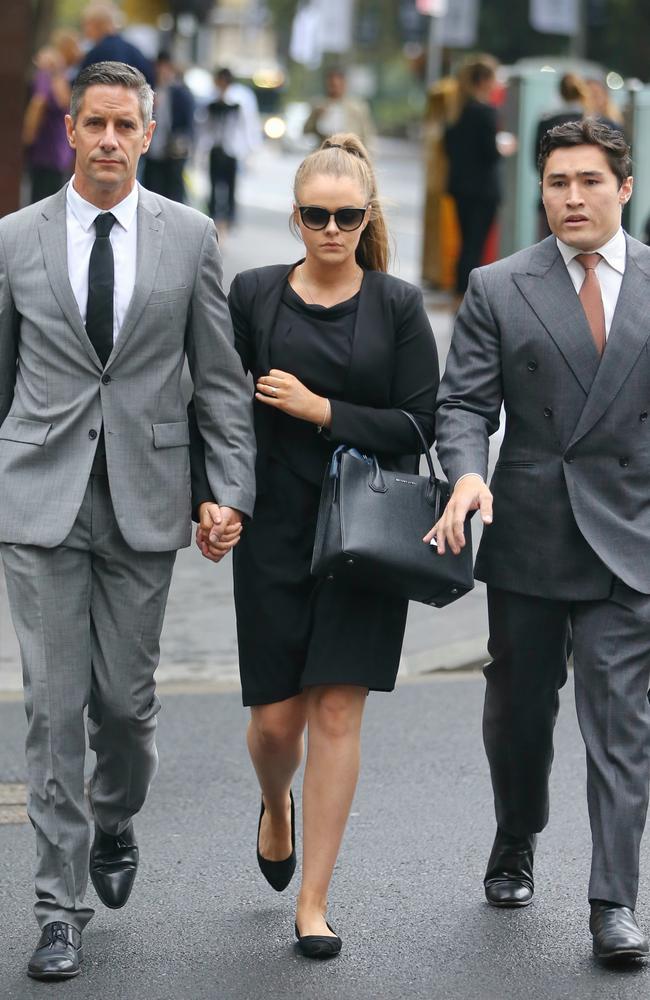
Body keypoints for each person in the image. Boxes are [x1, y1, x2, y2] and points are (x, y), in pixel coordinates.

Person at [0, 60, 255, 980]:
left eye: (125, 127)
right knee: (52, 710)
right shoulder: (14, 240)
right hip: (39, 501)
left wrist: (226, 489)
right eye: (94, 124)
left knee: (125, 706)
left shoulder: (188, 237)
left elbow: (219, 381)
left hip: (146, 498)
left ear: (149, 136)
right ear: (69, 130)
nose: (109, 140)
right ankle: (57, 907)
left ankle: (115, 814)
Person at [190, 133, 439, 957]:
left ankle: (315, 902)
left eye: (345, 215)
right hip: (275, 525)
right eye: (315, 215)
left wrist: (322, 409)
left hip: (367, 532)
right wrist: (212, 500)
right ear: (295, 216)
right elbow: (219, 409)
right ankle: (275, 805)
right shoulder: (254, 294)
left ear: (367, 216)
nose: (330, 229)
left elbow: (418, 424)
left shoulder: (399, 305)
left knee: (336, 711)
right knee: (274, 724)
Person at [428, 119, 650, 962]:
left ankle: (614, 902)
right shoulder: (498, 285)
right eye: (558, 182)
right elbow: (463, 408)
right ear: (542, 190)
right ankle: (517, 832)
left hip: (633, 532)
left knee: (620, 724)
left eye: (590, 182)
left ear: (622, 188)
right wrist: (464, 472)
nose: (572, 198)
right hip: (527, 529)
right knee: (521, 714)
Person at [444, 54, 516, 303]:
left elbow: (449, 147)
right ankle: (468, 297)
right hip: (483, 190)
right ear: (484, 80)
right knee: (475, 246)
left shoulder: (457, 110)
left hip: (460, 187)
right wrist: (503, 148)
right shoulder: (486, 112)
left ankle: (457, 293)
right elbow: (489, 152)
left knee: (466, 243)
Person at [199, 67, 262, 232]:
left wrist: (251, 150)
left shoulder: (241, 98)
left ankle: (229, 218)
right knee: (213, 186)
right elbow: (204, 124)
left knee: (231, 186)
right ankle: (213, 216)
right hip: (215, 147)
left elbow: (248, 124)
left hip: (233, 149)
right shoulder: (210, 97)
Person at [22, 32, 81, 203]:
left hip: (56, 152)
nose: (78, 52)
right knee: (42, 200)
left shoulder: (61, 74)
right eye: (74, 47)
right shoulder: (48, 74)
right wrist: (28, 136)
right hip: (48, 151)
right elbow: (39, 103)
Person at [533, 73, 589, 238]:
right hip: (584, 193)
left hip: (554, 191)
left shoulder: (546, 121)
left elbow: (535, 160)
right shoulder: (590, 122)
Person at [142, 51, 195, 203]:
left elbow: (188, 124)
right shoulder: (147, 91)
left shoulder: (180, 93)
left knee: (173, 193)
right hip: (152, 151)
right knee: (152, 191)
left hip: (173, 151)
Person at [80, 2, 155, 87]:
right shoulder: (133, 50)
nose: (84, 29)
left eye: (85, 24)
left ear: (96, 24)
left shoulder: (97, 54)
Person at [303, 68, 375, 151]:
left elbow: (367, 135)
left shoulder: (357, 107)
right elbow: (306, 130)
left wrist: (368, 159)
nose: (334, 88)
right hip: (325, 155)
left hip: (351, 155)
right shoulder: (319, 105)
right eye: (331, 85)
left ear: (344, 84)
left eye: (337, 85)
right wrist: (317, 117)